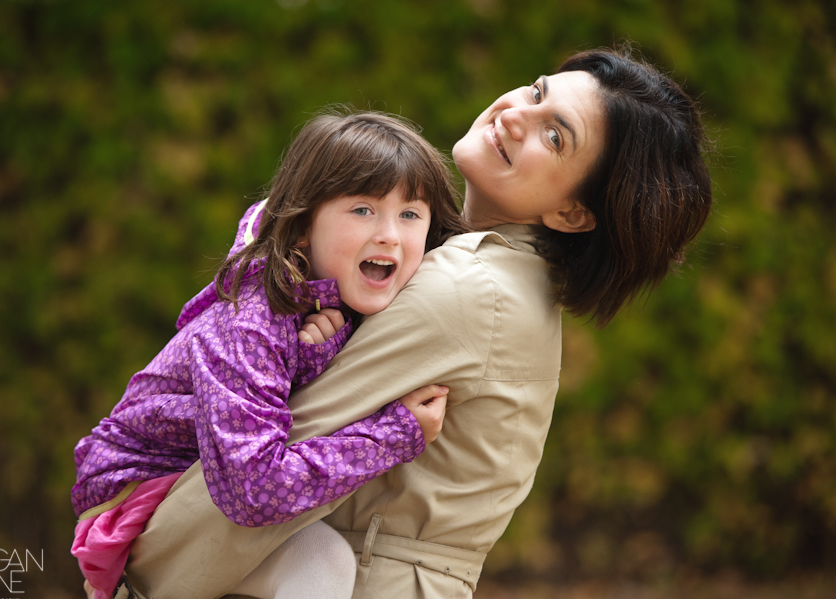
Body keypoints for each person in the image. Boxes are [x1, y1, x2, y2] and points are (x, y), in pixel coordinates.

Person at [122, 46, 713, 599]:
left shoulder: (466, 288)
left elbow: (263, 470)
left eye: (554, 136)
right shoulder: (499, 277)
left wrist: (137, 573)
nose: (516, 116)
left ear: (573, 211)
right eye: (536, 93)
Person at [69, 110, 469, 599]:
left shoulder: (324, 304)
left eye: (410, 214)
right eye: (363, 209)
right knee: (321, 561)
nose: (389, 233)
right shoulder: (252, 319)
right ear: (302, 227)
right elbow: (254, 488)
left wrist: (317, 357)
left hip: (206, 477)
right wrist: (393, 435)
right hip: (136, 497)